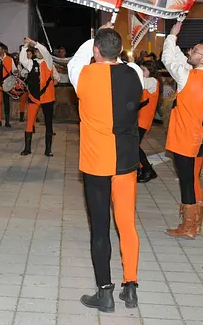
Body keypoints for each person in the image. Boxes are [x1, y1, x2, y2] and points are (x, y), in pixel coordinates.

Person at [67, 26, 143, 312]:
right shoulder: (134, 73)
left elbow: (78, 57)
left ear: (96, 51)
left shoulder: (82, 74)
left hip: (96, 163)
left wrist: (95, 37)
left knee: (100, 230)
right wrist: (110, 45)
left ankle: (105, 292)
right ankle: (131, 286)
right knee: (127, 225)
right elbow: (123, 63)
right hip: (125, 160)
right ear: (121, 52)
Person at [162, 21, 203, 239]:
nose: (191, 51)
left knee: (186, 182)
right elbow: (179, 61)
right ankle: (195, 222)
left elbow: (168, 59)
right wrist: (174, 40)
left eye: (195, 50)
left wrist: (171, 36)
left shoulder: (187, 77)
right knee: (193, 180)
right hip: (200, 138)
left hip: (186, 137)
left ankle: (188, 227)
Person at [19, 37, 56, 156]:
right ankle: (27, 148)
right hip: (34, 97)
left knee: (48, 123)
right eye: (36, 51)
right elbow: (22, 60)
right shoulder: (31, 63)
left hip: (48, 97)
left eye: (39, 51)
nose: (38, 53)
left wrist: (34, 43)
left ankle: (48, 149)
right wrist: (25, 46)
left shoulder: (49, 62)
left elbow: (45, 51)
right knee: (30, 121)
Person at [137, 62, 160, 183]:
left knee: (134, 146)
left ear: (150, 71)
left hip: (143, 120)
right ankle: (141, 169)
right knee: (134, 146)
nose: (141, 73)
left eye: (143, 70)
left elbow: (140, 83)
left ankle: (148, 170)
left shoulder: (152, 81)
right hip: (139, 119)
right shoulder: (148, 80)